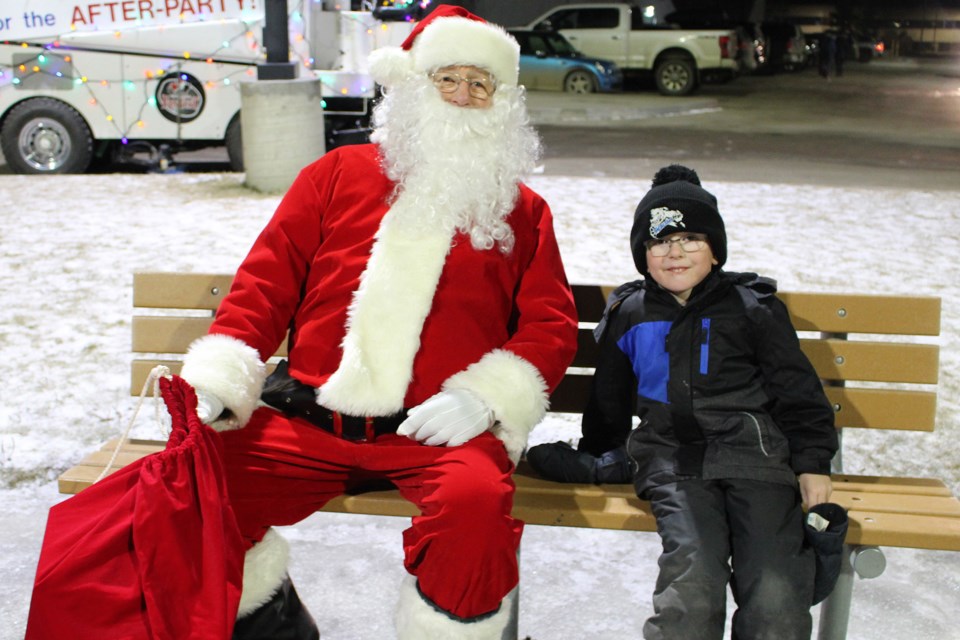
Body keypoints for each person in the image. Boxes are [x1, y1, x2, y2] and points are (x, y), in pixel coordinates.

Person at [178, 6, 578, 638]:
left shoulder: (523, 211)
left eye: (482, 83)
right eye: (449, 78)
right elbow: (268, 281)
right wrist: (222, 374)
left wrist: (488, 397)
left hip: (437, 431)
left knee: (476, 509)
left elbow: (551, 323)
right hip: (312, 415)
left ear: (501, 102)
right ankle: (272, 627)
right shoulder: (336, 175)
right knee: (196, 488)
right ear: (417, 85)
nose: (465, 95)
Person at [528, 165, 838, 639]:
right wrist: (598, 452)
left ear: (715, 250)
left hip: (755, 461)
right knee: (693, 581)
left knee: (776, 590)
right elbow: (608, 397)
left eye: (691, 238)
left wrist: (813, 460)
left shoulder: (751, 309)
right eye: (659, 241)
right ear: (643, 254)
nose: (675, 252)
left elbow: (797, 389)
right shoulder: (630, 314)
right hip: (672, 463)